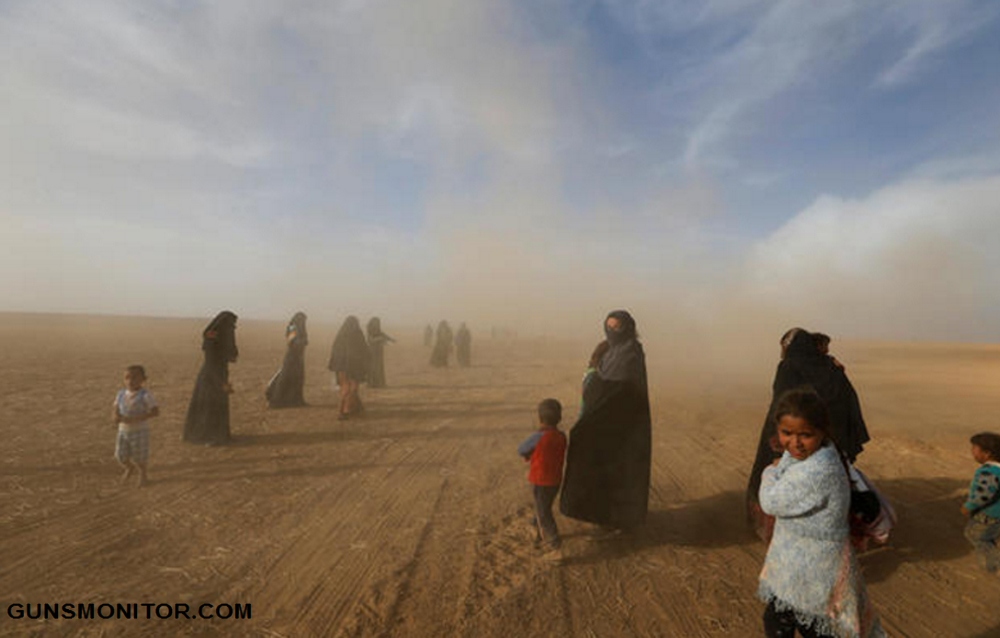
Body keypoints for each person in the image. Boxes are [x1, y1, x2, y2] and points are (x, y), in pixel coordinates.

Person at [759, 388, 885, 638]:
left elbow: (771, 502)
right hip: (799, 566)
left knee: (813, 627)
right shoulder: (809, 455)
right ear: (778, 429)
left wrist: (769, 473)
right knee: (781, 621)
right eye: (787, 433)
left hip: (816, 571)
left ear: (822, 432)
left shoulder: (819, 471)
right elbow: (786, 465)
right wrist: (778, 469)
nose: (794, 443)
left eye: (805, 435)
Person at [747, 328, 871, 540]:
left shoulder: (788, 368)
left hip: (793, 438)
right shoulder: (830, 367)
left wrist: (776, 444)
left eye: (784, 347)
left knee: (785, 481)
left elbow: (781, 405)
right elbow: (846, 403)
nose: (782, 352)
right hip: (828, 441)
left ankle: (782, 533)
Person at [560, 310, 651, 538]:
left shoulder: (630, 352)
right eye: (608, 326)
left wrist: (595, 391)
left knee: (619, 470)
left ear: (628, 328)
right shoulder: (611, 350)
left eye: (617, 327)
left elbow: (619, 390)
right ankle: (604, 517)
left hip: (623, 424)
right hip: (607, 420)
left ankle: (617, 522)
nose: (612, 331)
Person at [518, 399, 568, 563]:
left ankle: (555, 548)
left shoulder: (539, 436)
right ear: (559, 418)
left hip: (541, 480)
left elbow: (522, 449)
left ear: (540, 418)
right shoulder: (561, 436)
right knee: (543, 505)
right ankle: (536, 528)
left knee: (544, 511)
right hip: (555, 480)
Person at [183, 311, 238, 445]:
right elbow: (211, 360)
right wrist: (221, 382)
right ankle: (209, 436)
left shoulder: (219, 335)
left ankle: (213, 434)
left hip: (218, 372)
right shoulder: (213, 337)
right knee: (210, 405)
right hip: (211, 375)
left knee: (215, 405)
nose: (233, 328)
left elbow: (232, 355)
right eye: (231, 325)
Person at [113, 365, 159, 487]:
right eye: (127, 378)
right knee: (120, 455)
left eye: (134, 378)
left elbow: (155, 411)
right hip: (123, 431)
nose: (130, 381)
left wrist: (138, 418)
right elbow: (116, 407)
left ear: (143, 379)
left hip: (140, 431)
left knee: (139, 456)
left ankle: (143, 474)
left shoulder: (145, 395)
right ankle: (129, 468)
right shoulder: (121, 394)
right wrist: (115, 416)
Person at [961, 432, 1000, 573]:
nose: (972, 452)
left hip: (990, 515)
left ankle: (994, 565)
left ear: (987, 453)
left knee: (976, 536)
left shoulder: (988, 472)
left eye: (974, 449)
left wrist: (969, 506)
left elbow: (983, 495)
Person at [328, 316, 369, 420]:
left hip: (342, 367)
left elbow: (335, 352)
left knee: (346, 388)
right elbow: (364, 350)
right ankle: (345, 411)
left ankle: (349, 409)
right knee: (352, 388)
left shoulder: (341, 335)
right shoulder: (358, 334)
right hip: (354, 367)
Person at [266, 311, 309, 408]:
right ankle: (277, 401)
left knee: (298, 378)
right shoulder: (292, 327)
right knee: (286, 377)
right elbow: (291, 341)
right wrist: (302, 342)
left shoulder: (300, 328)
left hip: (298, 357)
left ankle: (295, 400)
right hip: (291, 357)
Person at [366, 317, 395, 388]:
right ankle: (372, 383)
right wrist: (380, 339)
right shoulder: (370, 331)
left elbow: (384, 335)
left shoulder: (378, 331)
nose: (377, 324)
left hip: (378, 352)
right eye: (376, 323)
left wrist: (391, 339)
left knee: (379, 367)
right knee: (373, 367)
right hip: (372, 352)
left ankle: (380, 383)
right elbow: (371, 340)